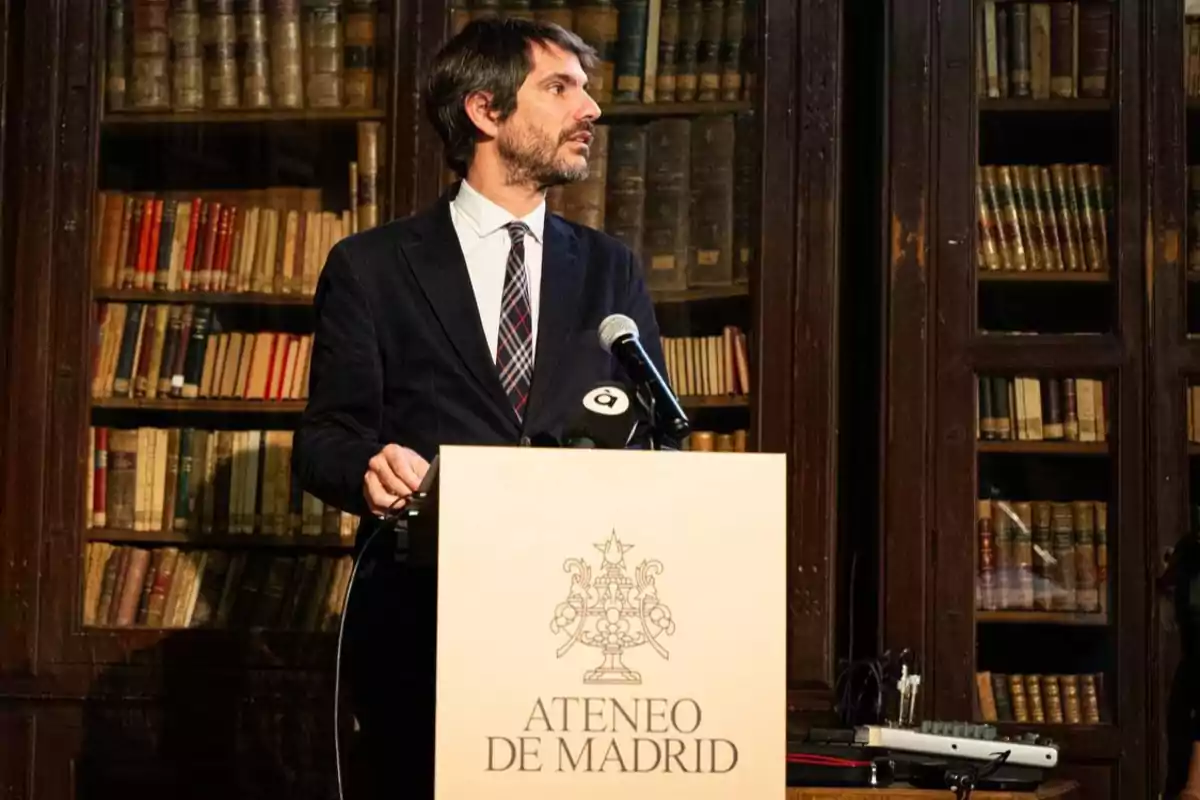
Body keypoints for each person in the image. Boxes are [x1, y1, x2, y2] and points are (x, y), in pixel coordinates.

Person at [290, 16, 674, 799]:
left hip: (581, 644)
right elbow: (325, 437)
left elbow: (657, 439)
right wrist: (369, 466)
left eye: (586, 89)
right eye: (561, 88)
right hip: (422, 635)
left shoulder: (610, 270)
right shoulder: (372, 267)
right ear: (484, 111)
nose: (591, 108)